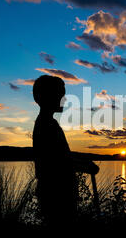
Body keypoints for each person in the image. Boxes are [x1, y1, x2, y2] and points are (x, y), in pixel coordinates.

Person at [32, 75, 99, 226]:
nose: (64, 99)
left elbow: (63, 157)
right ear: (47, 96)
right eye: (60, 94)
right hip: (57, 195)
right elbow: (57, 162)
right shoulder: (47, 126)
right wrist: (85, 167)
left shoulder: (47, 123)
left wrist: (83, 162)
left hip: (55, 193)